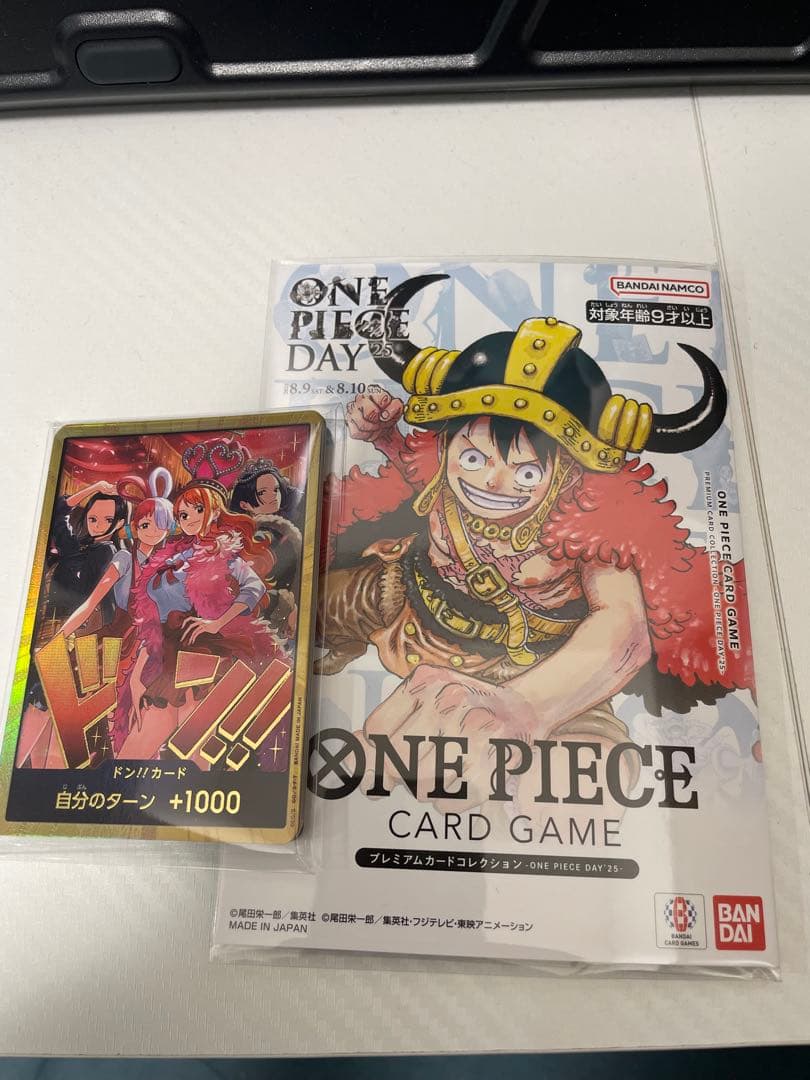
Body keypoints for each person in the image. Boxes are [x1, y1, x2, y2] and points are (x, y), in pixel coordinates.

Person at [317, 275, 749, 807]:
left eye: (525, 472)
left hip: (538, 662)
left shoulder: (593, 523)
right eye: (473, 457)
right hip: (405, 606)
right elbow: (406, 481)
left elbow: (625, 626)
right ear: (446, 445)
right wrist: (383, 434)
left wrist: (522, 706)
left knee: (582, 777)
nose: (491, 481)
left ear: (567, 472)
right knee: (295, 605)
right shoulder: (433, 469)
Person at [230, 458, 303, 636]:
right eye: (262, 492)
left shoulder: (286, 532)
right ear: (244, 504)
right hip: (252, 609)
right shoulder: (241, 537)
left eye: (276, 490)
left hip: (285, 612)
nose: (273, 496)